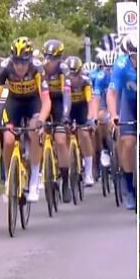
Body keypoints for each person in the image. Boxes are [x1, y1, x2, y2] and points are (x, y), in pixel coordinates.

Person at [0, 37, 51, 203]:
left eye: (23, 62)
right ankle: (9, 179)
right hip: (13, 102)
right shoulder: (5, 68)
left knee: (35, 130)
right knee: (7, 140)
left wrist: (41, 119)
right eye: (16, 62)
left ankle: (34, 180)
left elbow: (46, 100)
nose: (20, 66)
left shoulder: (37, 69)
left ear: (29, 60)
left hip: (32, 102)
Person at [107, 34, 138, 210]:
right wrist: (113, 115)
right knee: (127, 143)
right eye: (134, 56)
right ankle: (128, 187)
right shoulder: (120, 65)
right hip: (128, 102)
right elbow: (112, 93)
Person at [42, 39, 74, 201]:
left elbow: (67, 94)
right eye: (47, 57)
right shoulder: (40, 69)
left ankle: (65, 182)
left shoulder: (64, 70)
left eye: (53, 58)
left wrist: (65, 117)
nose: (50, 61)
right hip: (44, 101)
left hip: (60, 102)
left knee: (61, 141)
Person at [64, 56, 96, 187]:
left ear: (80, 72)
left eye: (75, 74)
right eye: (70, 74)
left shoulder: (85, 82)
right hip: (68, 109)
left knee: (84, 134)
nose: (73, 78)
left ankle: (88, 173)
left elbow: (90, 101)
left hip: (81, 108)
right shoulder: (63, 82)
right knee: (63, 133)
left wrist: (90, 118)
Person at [90, 50, 117, 171]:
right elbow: (96, 98)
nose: (110, 71)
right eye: (107, 68)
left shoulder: (121, 74)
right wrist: (95, 117)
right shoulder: (101, 77)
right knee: (101, 117)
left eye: (113, 68)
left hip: (119, 102)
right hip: (104, 104)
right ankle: (105, 149)